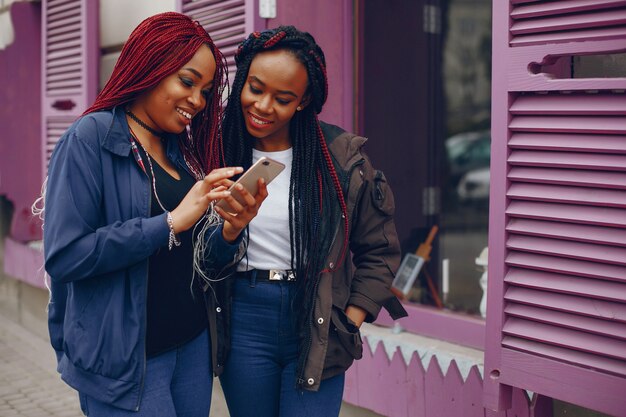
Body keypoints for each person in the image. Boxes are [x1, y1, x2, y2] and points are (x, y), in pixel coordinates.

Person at [40, 12, 263, 416]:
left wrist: (231, 229)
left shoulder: (180, 151)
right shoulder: (89, 138)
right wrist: (171, 221)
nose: (197, 101)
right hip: (128, 362)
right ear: (149, 65)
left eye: (206, 91)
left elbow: (194, 257)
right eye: (187, 81)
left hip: (191, 348)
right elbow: (65, 254)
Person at [207, 26, 407, 417]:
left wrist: (350, 321)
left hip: (317, 316)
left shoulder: (341, 160)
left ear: (304, 101)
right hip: (245, 316)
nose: (263, 106)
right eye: (255, 88)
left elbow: (380, 250)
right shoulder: (217, 150)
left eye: (283, 98)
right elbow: (199, 254)